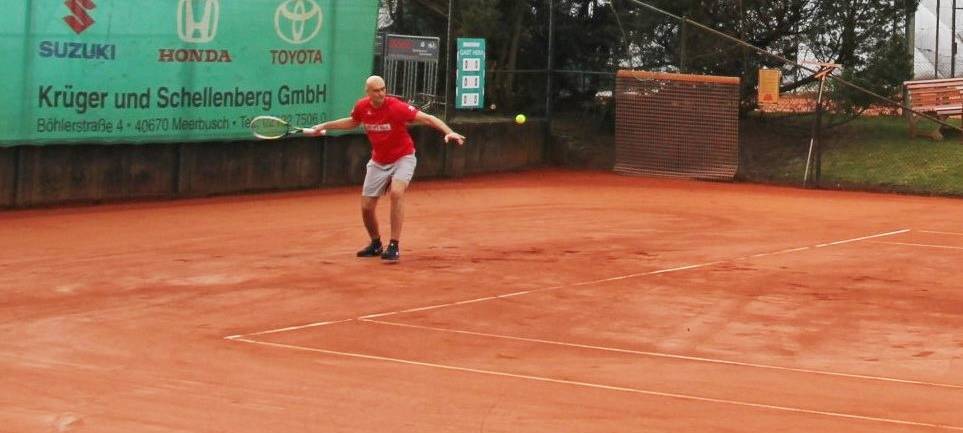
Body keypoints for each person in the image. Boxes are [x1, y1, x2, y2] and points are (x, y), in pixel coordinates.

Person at [308, 75, 465, 261]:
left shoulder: (396, 107)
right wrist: (323, 126)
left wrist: (449, 132)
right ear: (368, 92)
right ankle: (375, 244)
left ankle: (394, 245)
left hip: (403, 157)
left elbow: (428, 118)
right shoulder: (362, 107)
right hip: (378, 161)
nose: (381, 93)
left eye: (383, 89)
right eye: (376, 90)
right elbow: (353, 121)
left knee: (397, 193)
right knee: (366, 207)